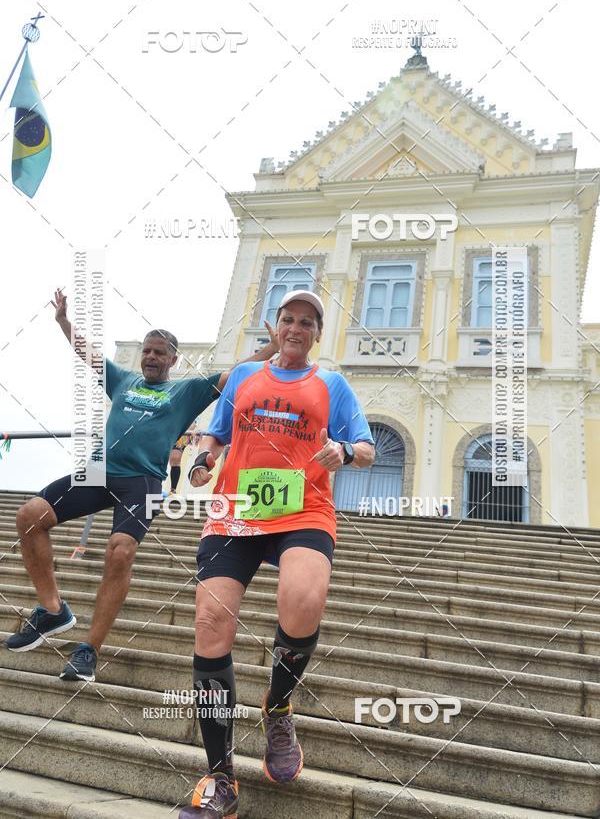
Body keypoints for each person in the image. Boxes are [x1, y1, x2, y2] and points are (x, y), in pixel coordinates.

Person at [4, 288, 278, 683]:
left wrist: (272, 347)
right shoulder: (124, 380)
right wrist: (64, 322)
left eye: (159, 352)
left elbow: (236, 372)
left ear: (172, 359)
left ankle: (89, 651)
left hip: (144, 481)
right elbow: (90, 353)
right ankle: (52, 611)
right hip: (99, 471)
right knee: (30, 516)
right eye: (147, 350)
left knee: (120, 551)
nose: (150, 356)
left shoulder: (184, 391)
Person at [180, 290, 375, 818]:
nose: (295, 326)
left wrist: (344, 451)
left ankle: (278, 705)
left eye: (306, 321)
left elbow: (367, 445)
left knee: (304, 598)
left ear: (316, 333)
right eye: (288, 318)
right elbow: (215, 435)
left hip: (304, 509)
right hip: (236, 511)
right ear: (278, 326)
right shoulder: (245, 377)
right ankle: (220, 778)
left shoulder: (331, 384)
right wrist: (201, 461)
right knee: (210, 622)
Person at [169, 422, 200, 494]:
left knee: (175, 458)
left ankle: (173, 489)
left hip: (184, 427)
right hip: (167, 424)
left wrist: (192, 427)